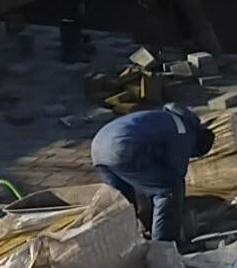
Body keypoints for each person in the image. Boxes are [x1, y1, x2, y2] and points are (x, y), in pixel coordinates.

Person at [89, 101, 216, 245]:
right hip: (123, 148)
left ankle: (121, 245)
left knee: (122, 203)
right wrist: (178, 217)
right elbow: (175, 178)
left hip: (99, 149)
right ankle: (164, 248)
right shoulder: (184, 132)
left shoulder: (164, 119)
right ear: (197, 143)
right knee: (170, 189)